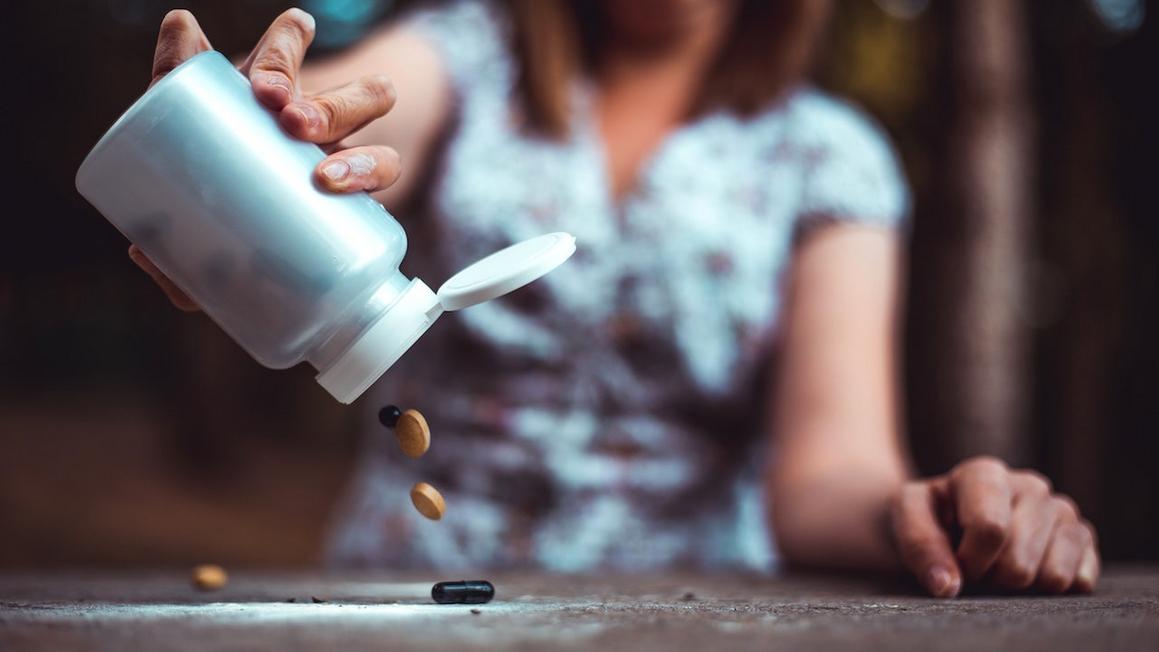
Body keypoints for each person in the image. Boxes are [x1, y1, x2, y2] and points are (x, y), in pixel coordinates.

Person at [130, 1, 1099, 597]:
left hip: (688, 615)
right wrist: (240, 147)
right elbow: (351, 108)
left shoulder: (828, 156)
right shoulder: (466, 55)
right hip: (405, 597)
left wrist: (917, 515)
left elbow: (825, 473)